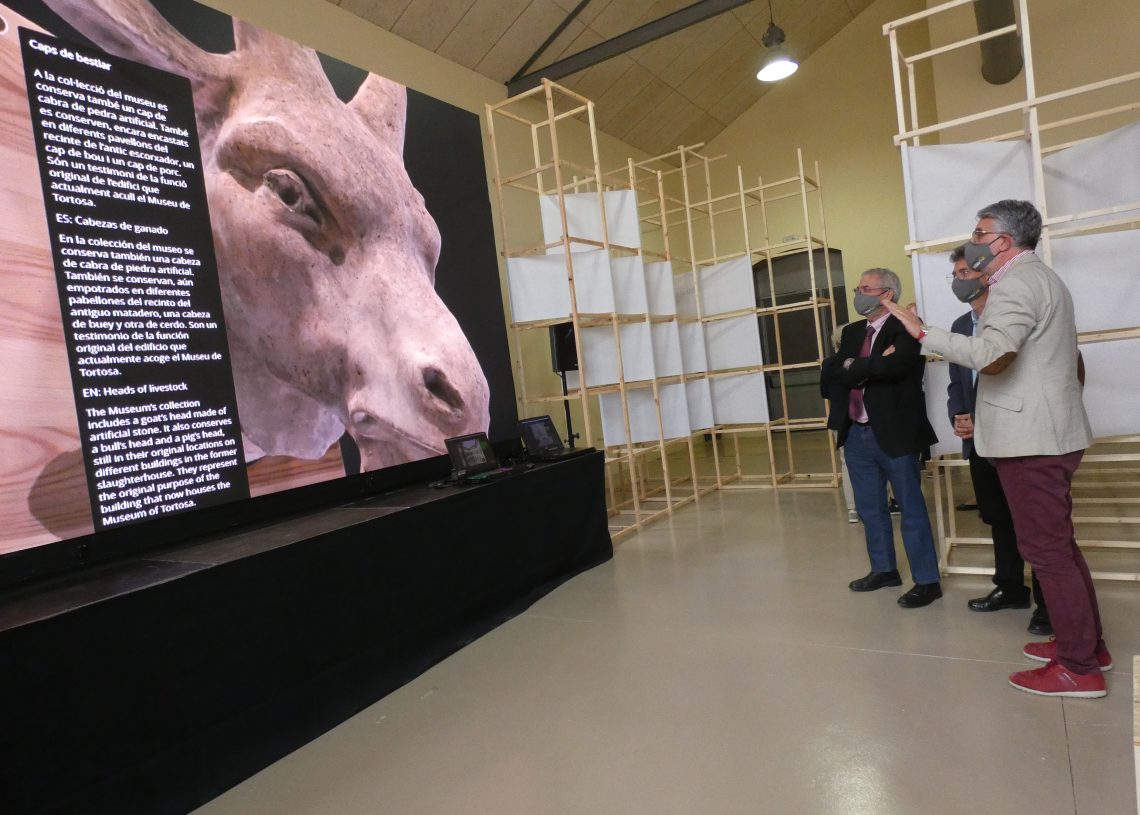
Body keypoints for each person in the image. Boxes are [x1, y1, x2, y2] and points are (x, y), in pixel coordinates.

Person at [885, 200, 1111, 698]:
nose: (973, 239)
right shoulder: (1039, 278)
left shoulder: (1016, 284)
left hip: (1032, 438)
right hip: (1047, 433)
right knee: (1060, 547)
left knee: (1047, 552)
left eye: (979, 232)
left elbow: (991, 357)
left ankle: (1078, 667)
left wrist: (922, 332)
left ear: (1002, 241)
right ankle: (1086, 646)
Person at [944, 245, 1051, 634]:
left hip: (1016, 437)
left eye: (966, 272)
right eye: (955, 274)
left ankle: (1048, 604)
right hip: (978, 441)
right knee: (998, 518)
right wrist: (959, 414)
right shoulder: (959, 326)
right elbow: (959, 381)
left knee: (1035, 524)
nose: (960, 280)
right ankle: (1009, 588)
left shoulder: (1012, 314)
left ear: (988, 272)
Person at [821, 268, 942, 608]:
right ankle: (884, 569)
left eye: (865, 288)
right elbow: (829, 373)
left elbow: (898, 367)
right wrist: (867, 364)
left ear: (886, 293)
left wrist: (854, 367)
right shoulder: (852, 331)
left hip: (895, 432)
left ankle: (927, 581)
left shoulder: (905, 326)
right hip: (856, 432)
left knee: (911, 508)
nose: (858, 293)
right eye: (859, 287)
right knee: (870, 509)